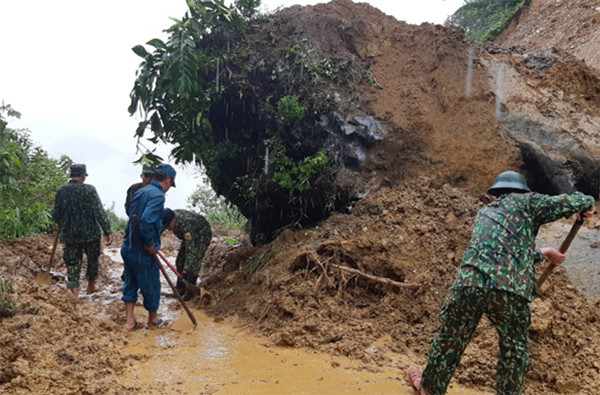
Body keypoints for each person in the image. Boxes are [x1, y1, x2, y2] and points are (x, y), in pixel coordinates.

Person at [408, 170, 596, 395]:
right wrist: (587, 203)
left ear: (497, 192)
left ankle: (429, 389)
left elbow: (503, 250)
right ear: (522, 190)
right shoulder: (528, 202)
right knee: (514, 349)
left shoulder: (485, 212)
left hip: (468, 285)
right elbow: (575, 201)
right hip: (509, 291)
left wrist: (545, 252)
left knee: (450, 340)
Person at [121, 163, 176, 330]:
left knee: (130, 283)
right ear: (167, 181)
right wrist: (150, 243)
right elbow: (146, 220)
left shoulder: (140, 192)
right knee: (151, 285)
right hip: (142, 251)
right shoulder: (158, 196)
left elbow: (132, 216)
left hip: (128, 246)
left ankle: (130, 321)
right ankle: (153, 320)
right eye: (170, 184)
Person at [52, 163, 113, 298]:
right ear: (83, 175)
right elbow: (99, 212)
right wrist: (107, 231)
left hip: (70, 235)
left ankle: (74, 292)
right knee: (92, 259)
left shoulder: (62, 191)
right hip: (90, 234)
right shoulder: (90, 190)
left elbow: (56, 214)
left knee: (72, 262)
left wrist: (63, 222)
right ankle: (91, 285)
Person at [162, 208, 212, 301]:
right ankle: (181, 288)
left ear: (174, 220)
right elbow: (160, 229)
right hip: (191, 235)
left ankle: (190, 292)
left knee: (195, 261)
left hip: (202, 234)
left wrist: (185, 271)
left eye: (169, 225)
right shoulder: (167, 217)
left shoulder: (186, 225)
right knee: (180, 260)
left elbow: (191, 251)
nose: (168, 228)